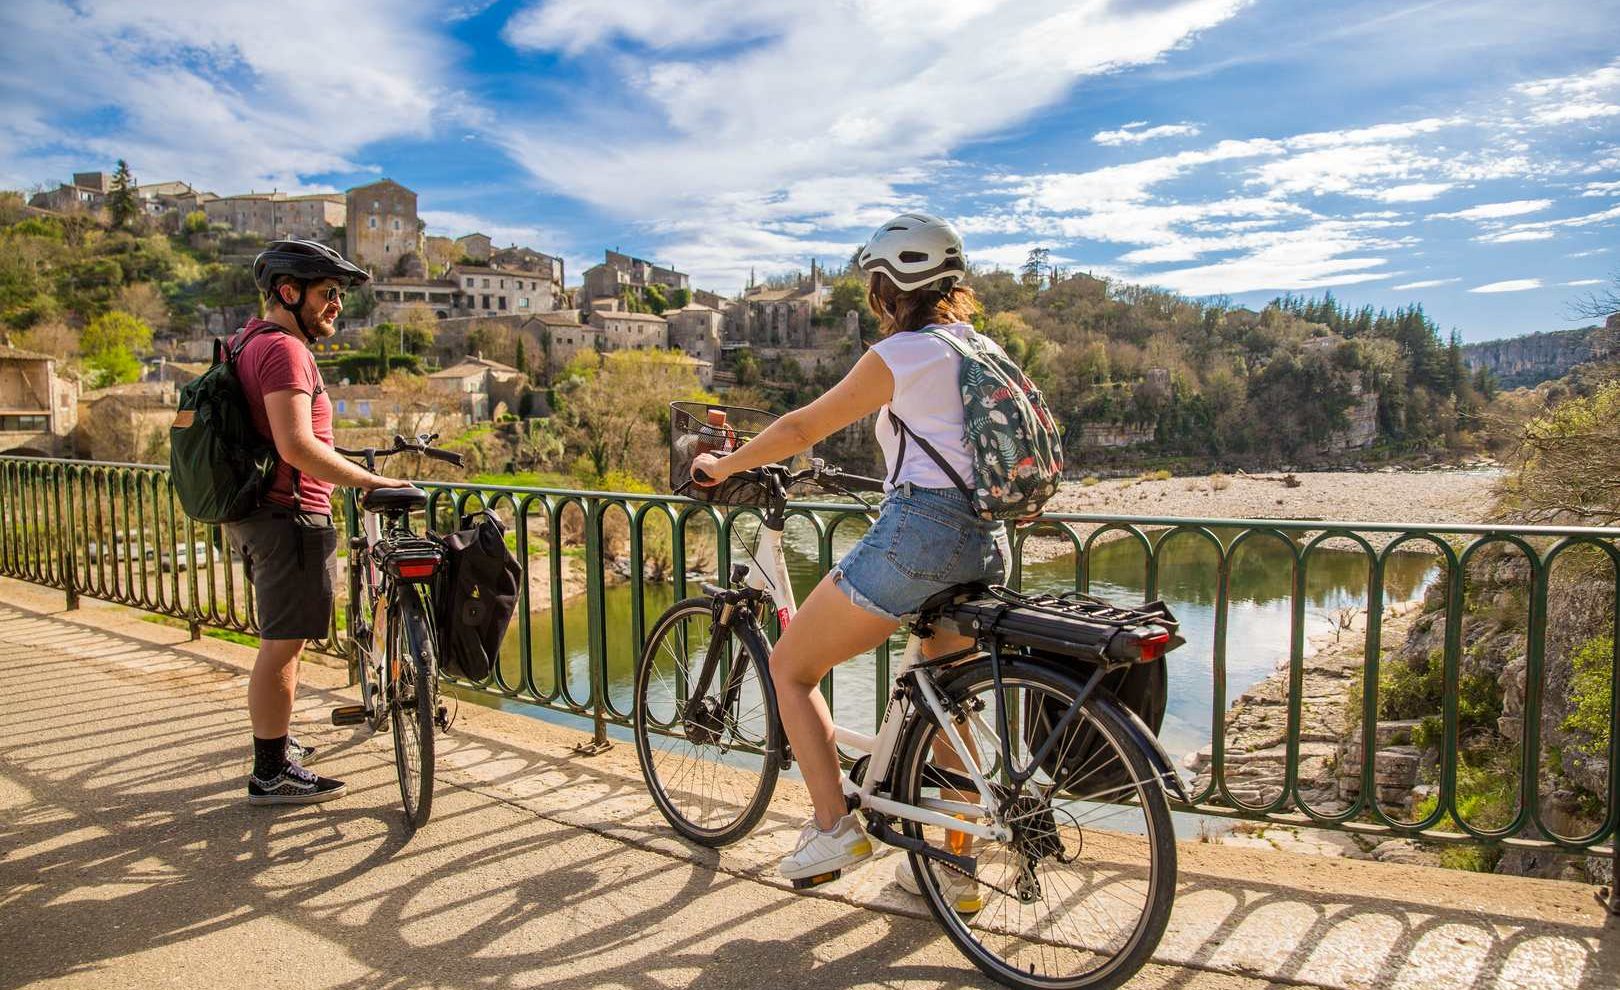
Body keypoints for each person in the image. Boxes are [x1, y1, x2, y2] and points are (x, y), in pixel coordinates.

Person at [692, 214, 1009, 907]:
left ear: (889, 288)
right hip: (990, 541)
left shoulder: (904, 353)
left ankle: (835, 828)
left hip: (923, 536)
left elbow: (803, 427)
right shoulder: (979, 347)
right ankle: (955, 875)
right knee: (945, 705)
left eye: (876, 285)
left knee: (791, 667)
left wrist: (725, 463)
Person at [228, 239, 412, 806]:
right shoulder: (284, 350)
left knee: (283, 642)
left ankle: (276, 747)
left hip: (264, 513)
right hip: (289, 516)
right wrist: (374, 481)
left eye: (339, 295)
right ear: (290, 292)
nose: (337, 305)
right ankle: (269, 772)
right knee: (282, 646)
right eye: (327, 293)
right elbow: (297, 445)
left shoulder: (245, 342)